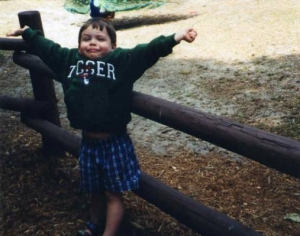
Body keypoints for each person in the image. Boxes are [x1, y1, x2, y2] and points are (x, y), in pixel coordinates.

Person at [6, 18, 197, 236]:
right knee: (94, 191)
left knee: (112, 194)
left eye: (100, 38)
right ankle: (94, 226)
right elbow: (49, 49)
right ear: (79, 45)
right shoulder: (69, 60)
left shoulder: (121, 61)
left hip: (114, 144)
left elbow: (148, 50)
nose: (92, 43)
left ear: (113, 46)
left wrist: (176, 37)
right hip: (88, 144)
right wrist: (29, 33)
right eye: (86, 38)